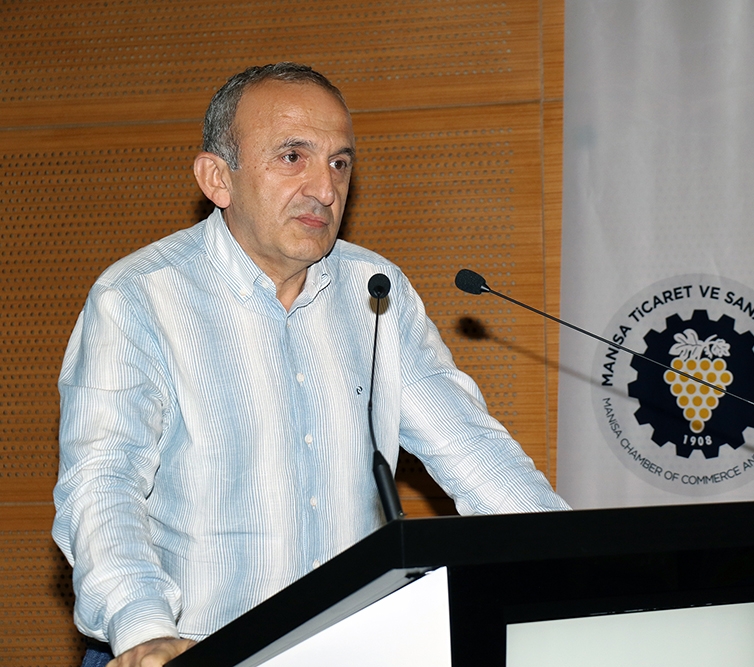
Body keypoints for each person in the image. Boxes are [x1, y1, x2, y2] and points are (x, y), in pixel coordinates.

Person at [53, 62, 569, 667]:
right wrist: (143, 630)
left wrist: (577, 563)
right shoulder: (139, 297)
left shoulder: (376, 291)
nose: (325, 188)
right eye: (293, 157)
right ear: (217, 178)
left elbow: (474, 453)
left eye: (339, 163)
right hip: (193, 650)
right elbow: (103, 484)